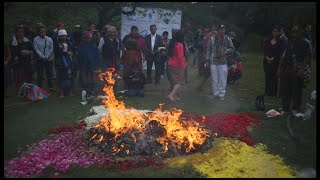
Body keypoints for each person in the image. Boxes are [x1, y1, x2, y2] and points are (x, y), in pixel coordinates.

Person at [278, 25, 312, 114]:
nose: (294, 33)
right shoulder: (290, 41)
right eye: (293, 31)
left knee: (296, 90)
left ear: (301, 32)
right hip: (288, 68)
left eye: (296, 31)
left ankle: (295, 108)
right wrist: (280, 68)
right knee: (286, 89)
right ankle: (285, 107)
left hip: (298, 69)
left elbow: (307, 57)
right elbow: (284, 55)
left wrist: (302, 69)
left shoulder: (306, 42)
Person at [206, 24, 234, 101]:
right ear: (217, 30)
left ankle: (222, 94)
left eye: (223, 29)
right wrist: (207, 60)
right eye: (221, 29)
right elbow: (208, 50)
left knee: (223, 78)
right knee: (214, 78)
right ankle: (215, 93)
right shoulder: (212, 39)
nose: (223, 31)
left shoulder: (227, 38)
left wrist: (225, 52)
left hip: (223, 62)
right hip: (213, 61)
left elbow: (232, 48)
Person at [10, 25, 35, 90]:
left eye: (22, 32)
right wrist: (21, 53)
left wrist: (28, 52)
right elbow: (13, 53)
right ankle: (22, 92)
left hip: (27, 61)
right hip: (18, 63)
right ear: (16, 33)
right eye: (20, 32)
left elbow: (33, 49)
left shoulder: (27, 41)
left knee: (29, 77)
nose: (21, 33)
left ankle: (29, 91)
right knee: (20, 78)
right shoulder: (12, 42)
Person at [78, 31, 99, 100]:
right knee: (85, 79)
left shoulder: (94, 46)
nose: (87, 40)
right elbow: (80, 56)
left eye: (89, 38)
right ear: (83, 38)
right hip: (84, 65)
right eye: (86, 38)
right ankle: (85, 92)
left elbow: (97, 56)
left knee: (92, 79)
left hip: (92, 66)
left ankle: (92, 91)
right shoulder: (81, 45)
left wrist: (96, 65)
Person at [167, 30, 187, 102]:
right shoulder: (180, 45)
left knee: (175, 81)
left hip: (170, 64)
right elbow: (180, 57)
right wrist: (183, 66)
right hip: (178, 65)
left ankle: (177, 96)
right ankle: (171, 95)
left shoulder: (172, 43)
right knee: (180, 82)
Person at [33, 25, 54, 91]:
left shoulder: (49, 39)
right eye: (41, 32)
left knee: (49, 73)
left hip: (48, 58)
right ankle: (39, 87)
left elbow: (51, 48)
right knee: (40, 74)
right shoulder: (35, 39)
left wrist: (47, 56)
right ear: (38, 32)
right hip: (40, 59)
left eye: (44, 31)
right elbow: (36, 49)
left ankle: (51, 87)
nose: (42, 33)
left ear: (45, 32)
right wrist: (42, 56)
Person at [263, 26, 283, 97]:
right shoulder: (268, 40)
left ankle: (273, 93)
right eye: (274, 31)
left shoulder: (280, 42)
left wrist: (273, 58)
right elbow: (265, 49)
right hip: (267, 61)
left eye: (276, 31)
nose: (275, 33)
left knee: (274, 78)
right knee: (267, 77)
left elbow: (280, 52)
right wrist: (267, 57)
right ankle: (267, 91)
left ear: (278, 33)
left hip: (275, 62)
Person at [54, 29, 74, 98]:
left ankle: (70, 92)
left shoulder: (69, 43)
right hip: (61, 62)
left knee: (70, 76)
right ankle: (61, 93)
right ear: (59, 37)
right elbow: (58, 53)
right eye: (62, 36)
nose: (64, 37)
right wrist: (66, 53)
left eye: (65, 36)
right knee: (61, 77)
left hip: (69, 61)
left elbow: (72, 51)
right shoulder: (57, 44)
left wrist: (71, 53)